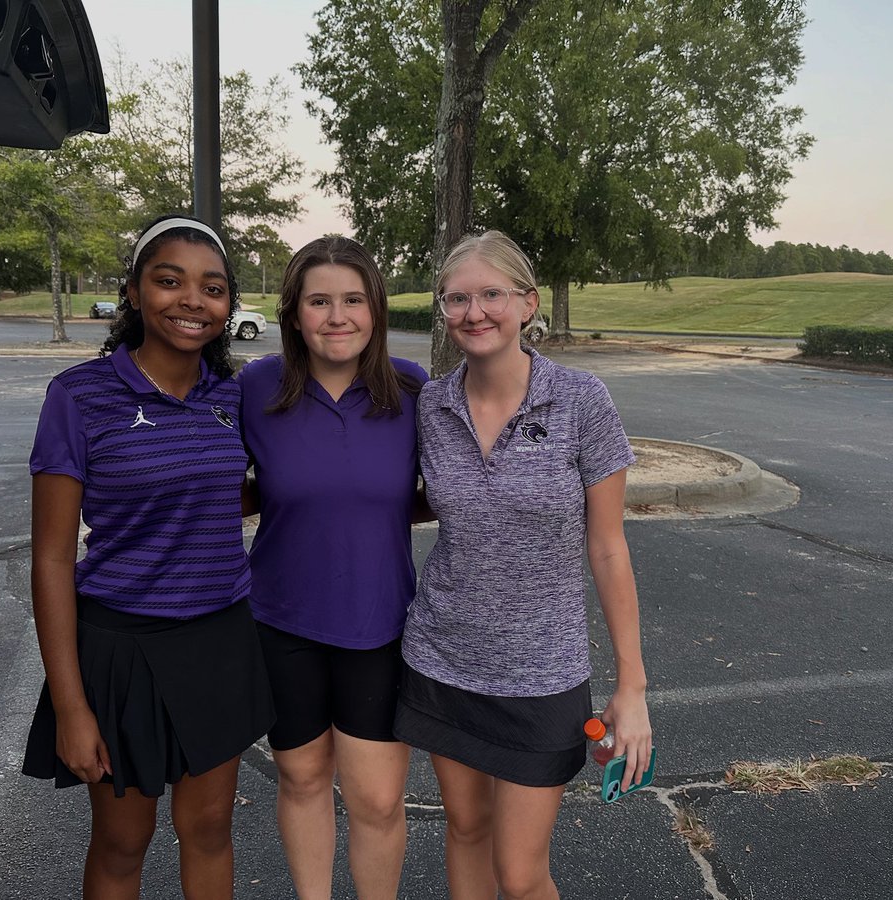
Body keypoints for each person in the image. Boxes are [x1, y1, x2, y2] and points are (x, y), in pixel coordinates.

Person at [22, 215, 274, 899]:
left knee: (211, 828)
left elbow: (238, 492)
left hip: (219, 640)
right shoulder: (79, 396)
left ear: (229, 305)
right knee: (122, 841)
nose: (193, 300)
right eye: (170, 281)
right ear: (133, 292)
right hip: (121, 649)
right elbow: (50, 559)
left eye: (213, 288)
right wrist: (72, 706)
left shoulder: (232, 395)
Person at [395, 230, 652, 900]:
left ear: (527, 303)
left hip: (542, 674)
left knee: (521, 872)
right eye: (457, 298)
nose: (474, 311)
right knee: (466, 832)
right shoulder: (431, 404)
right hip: (442, 657)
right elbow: (418, 503)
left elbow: (608, 546)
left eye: (491, 294)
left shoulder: (579, 400)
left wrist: (632, 689)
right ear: (443, 311)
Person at [237, 236, 427, 899]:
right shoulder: (256, 388)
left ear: (375, 309)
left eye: (353, 300)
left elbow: (454, 492)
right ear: (294, 314)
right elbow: (214, 481)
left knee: (376, 801)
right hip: (281, 621)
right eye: (319, 301)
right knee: (303, 780)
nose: (337, 316)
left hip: (380, 624)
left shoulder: (412, 391)